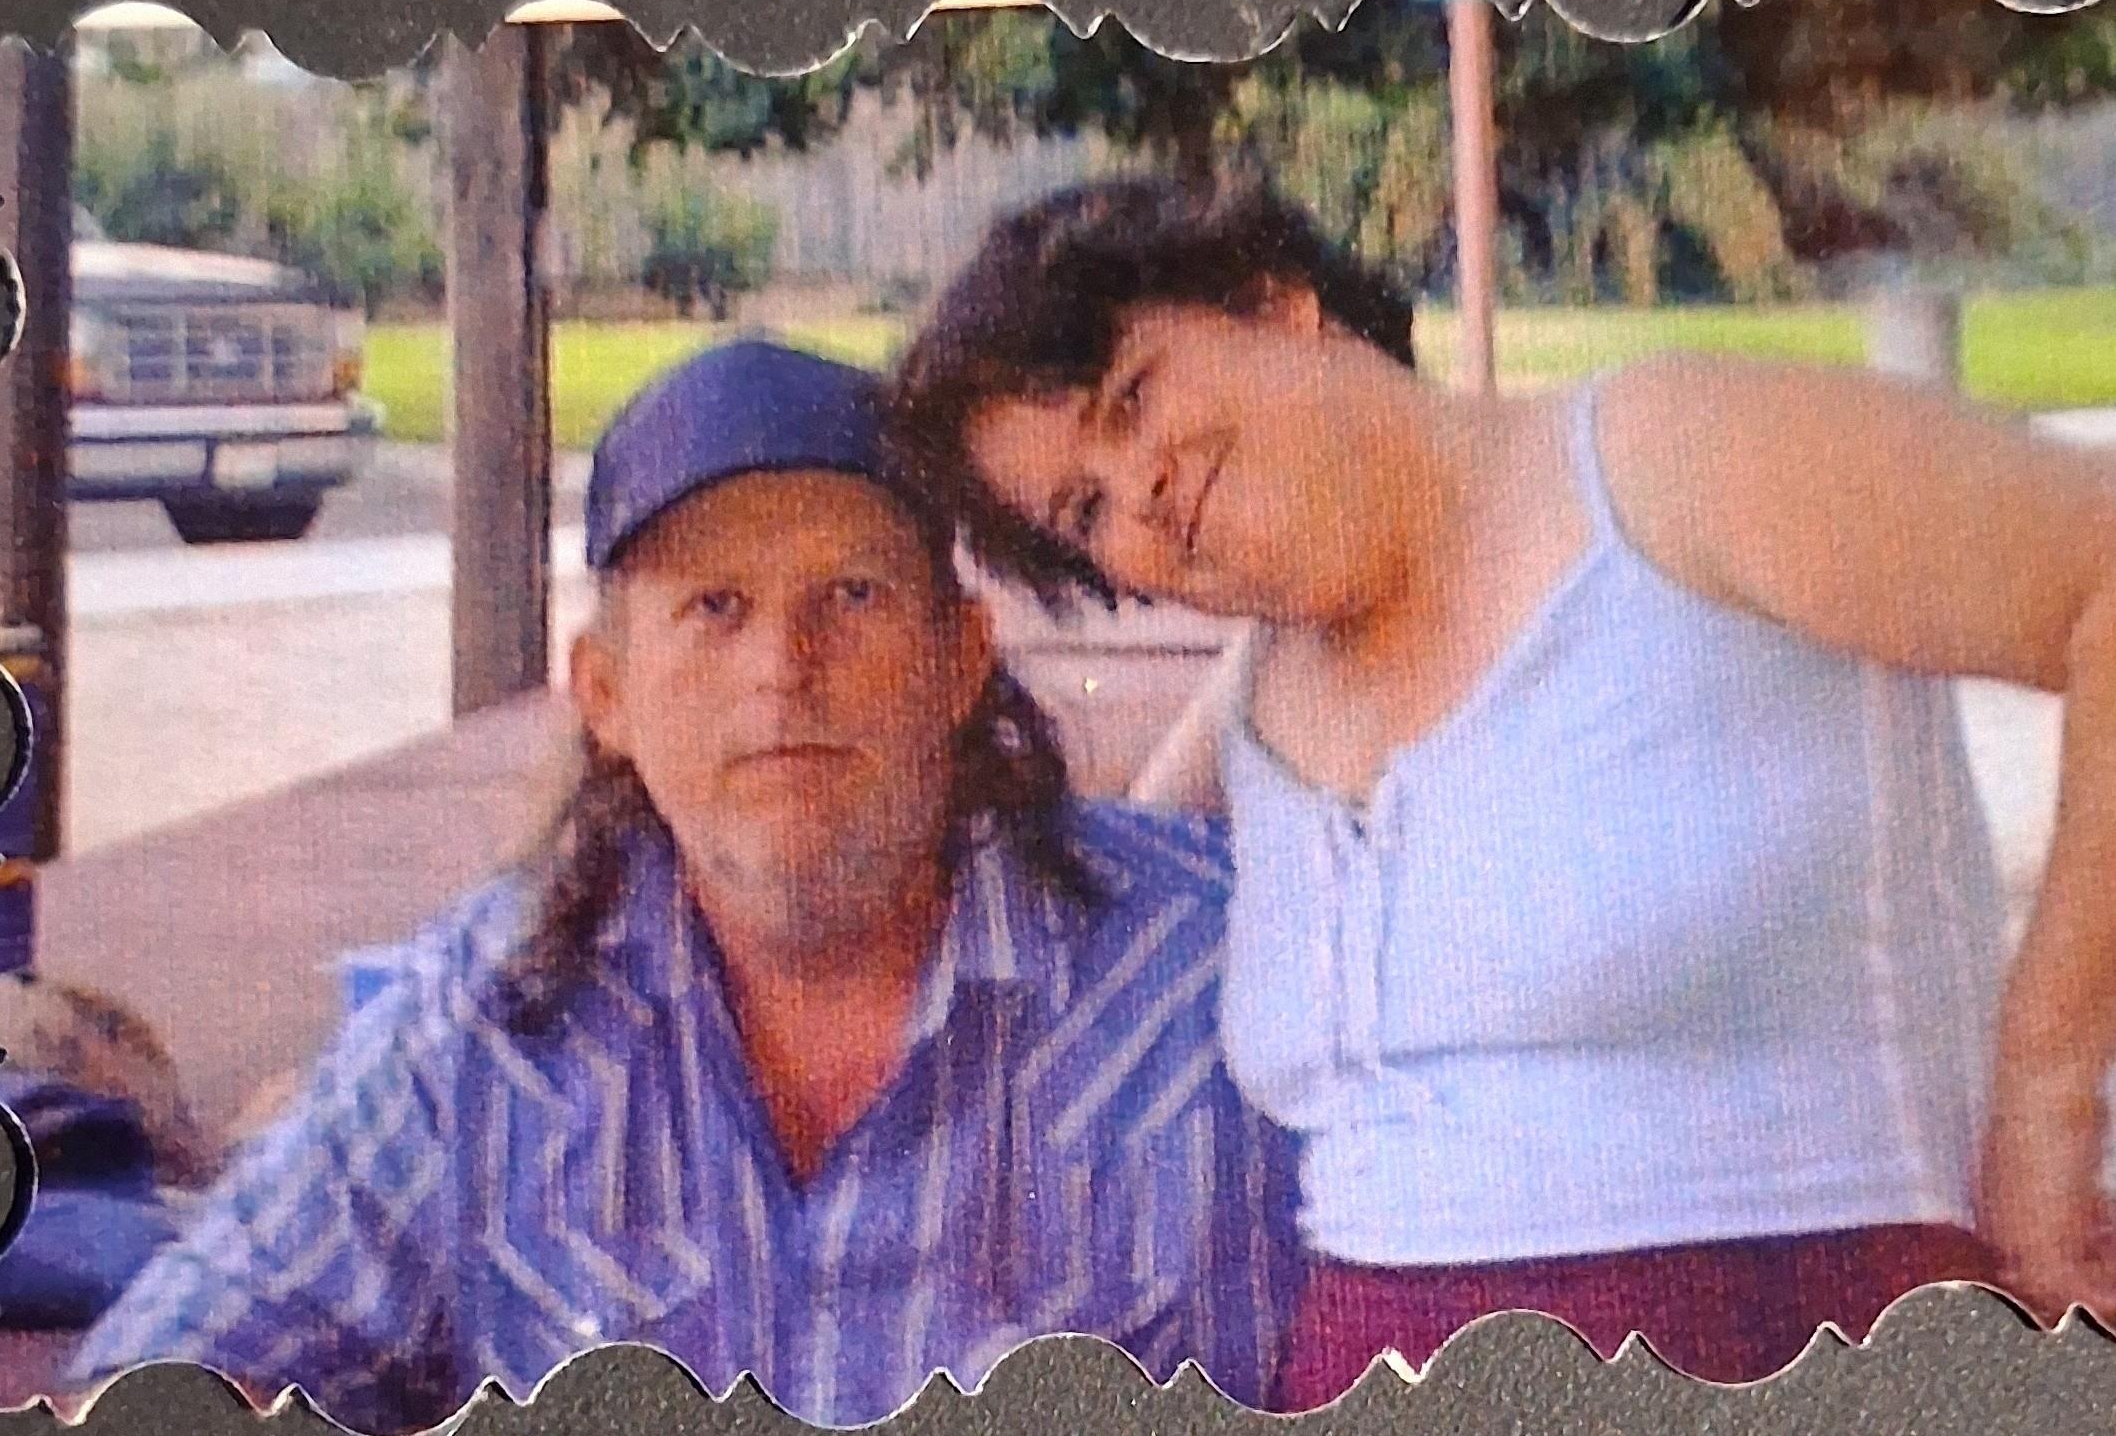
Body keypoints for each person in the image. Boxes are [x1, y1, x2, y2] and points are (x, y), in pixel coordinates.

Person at [883, 178, 2116, 1404]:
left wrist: (2049, 1103)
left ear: (1278, 303)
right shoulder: (1257, 700)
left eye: (1135, 398)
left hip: (1791, 1339)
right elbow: (1091, 915)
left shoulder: (1661, 464)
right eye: (1083, 510)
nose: (1144, 491)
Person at [66, 339, 1301, 1431]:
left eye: (852, 596)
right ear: (605, 693)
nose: (784, 668)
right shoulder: (485, 1022)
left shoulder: (1225, 975)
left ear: (962, 656)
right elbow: (172, 1366)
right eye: (714, 607)